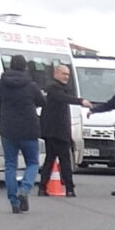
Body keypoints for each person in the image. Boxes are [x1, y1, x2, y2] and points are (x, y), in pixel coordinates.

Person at [0, 56, 42, 213]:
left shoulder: (1, 84)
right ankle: (25, 188)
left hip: (7, 129)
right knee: (33, 162)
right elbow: (43, 102)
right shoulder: (31, 86)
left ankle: (13, 201)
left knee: (10, 165)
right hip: (29, 129)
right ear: (25, 67)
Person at [38, 61, 86, 197]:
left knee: (50, 159)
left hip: (52, 131)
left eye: (68, 74)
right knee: (64, 160)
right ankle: (69, 189)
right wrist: (81, 101)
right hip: (57, 131)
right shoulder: (54, 88)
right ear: (56, 74)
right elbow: (63, 98)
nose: (66, 77)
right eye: (64, 74)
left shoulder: (57, 88)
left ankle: (43, 188)